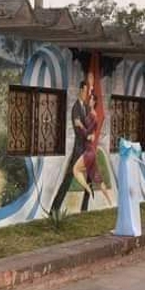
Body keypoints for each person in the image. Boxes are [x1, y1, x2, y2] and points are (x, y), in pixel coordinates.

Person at [51, 79, 92, 212]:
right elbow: (78, 126)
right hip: (79, 148)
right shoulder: (76, 107)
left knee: (90, 176)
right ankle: (55, 208)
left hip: (87, 147)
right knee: (69, 178)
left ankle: (84, 208)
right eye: (85, 91)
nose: (86, 94)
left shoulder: (86, 107)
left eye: (88, 92)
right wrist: (87, 133)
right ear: (81, 90)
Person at [72, 93, 112, 206]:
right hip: (91, 151)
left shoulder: (93, 117)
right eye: (89, 99)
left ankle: (88, 189)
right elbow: (89, 134)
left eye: (91, 99)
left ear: (94, 102)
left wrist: (80, 125)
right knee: (99, 180)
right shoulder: (90, 114)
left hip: (89, 151)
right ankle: (110, 203)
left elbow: (87, 133)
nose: (89, 100)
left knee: (75, 170)